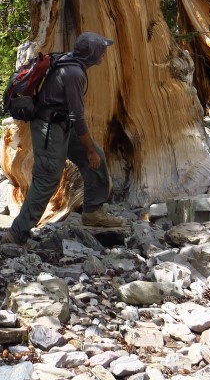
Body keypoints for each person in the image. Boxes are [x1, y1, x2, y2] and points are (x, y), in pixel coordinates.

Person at [8, 31, 124, 244]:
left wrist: (90, 150)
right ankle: (17, 232)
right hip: (50, 129)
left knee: (96, 158)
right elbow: (77, 117)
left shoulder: (70, 61)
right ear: (92, 53)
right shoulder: (73, 73)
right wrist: (87, 149)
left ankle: (93, 212)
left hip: (61, 124)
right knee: (48, 178)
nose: (104, 54)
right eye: (102, 50)